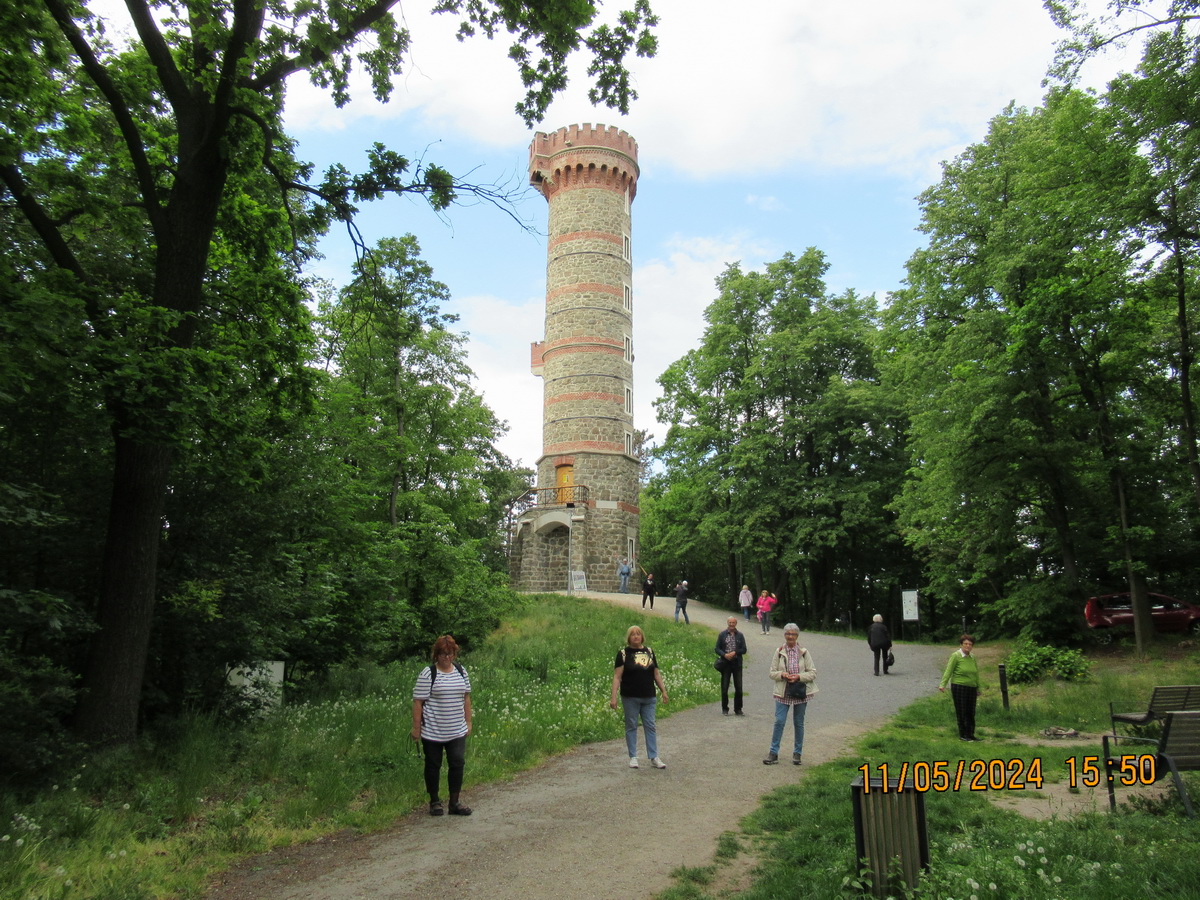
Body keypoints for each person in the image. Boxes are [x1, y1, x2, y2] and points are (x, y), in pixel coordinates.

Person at [412, 635, 473, 816]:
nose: (447, 657)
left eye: (450, 654)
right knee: (433, 765)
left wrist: (468, 721)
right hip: (433, 731)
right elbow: (418, 702)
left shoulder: (461, 671)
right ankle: (434, 801)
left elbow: (466, 697)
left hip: (457, 729)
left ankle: (454, 802)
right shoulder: (428, 673)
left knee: (457, 762)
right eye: (443, 654)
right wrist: (416, 728)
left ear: (454, 654)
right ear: (436, 655)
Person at [610, 625, 669, 768]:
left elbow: (656, 674)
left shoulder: (649, 652)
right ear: (629, 637)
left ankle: (654, 756)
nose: (636, 636)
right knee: (631, 725)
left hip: (649, 696)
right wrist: (613, 697)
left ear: (642, 636)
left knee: (650, 725)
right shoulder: (623, 654)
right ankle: (633, 757)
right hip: (630, 696)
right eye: (633, 634)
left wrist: (663, 690)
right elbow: (617, 677)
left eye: (638, 634)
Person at [764, 623, 817, 765]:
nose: (790, 637)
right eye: (788, 634)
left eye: (793, 634)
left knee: (798, 723)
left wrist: (798, 677)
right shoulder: (779, 651)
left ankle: (797, 753)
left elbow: (813, 673)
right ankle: (773, 753)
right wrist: (782, 674)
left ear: (797, 636)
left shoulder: (804, 652)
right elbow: (771, 673)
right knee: (779, 721)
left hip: (800, 692)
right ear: (784, 635)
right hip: (783, 692)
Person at [938, 634, 981, 741]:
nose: (968, 646)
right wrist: (943, 684)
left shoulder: (972, 657)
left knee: (971, 711)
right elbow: (949, 670)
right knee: (962, 710)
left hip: (971, 687)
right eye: (965, 644)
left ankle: (970, 734)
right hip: (959, 686)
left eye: (970, 644)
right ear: (961, 644)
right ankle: (963, 734)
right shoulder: (956, 656)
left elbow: (976, 673)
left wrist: (978, 687)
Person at [715, 616, 748, 715]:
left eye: (733, 623)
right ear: (727, 623)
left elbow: (744, 649)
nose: (731, 624)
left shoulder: (740, 635)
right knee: (724, 687)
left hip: (737, 663)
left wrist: (735, 652)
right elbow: (717, 648)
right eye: (730, 622)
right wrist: (724, 655)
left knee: (739, 687)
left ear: (736, 624)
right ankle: (725, 708)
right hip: (725, 664)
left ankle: (738, 709)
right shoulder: (722, 635)